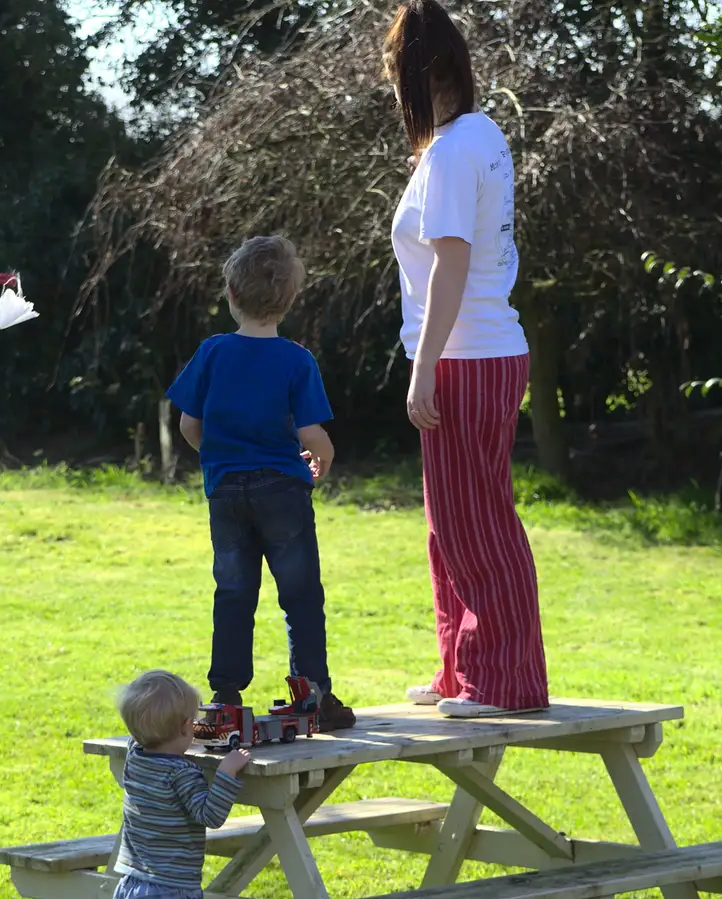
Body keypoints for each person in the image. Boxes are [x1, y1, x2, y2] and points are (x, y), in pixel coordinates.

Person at [383, 0, 549, 717]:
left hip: (467, 356)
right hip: (484, 351)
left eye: (393, 72)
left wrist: (424, 366)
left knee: (477, 522)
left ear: (416, 74)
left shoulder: (452, 152)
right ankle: (461, 669)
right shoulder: (476, 135)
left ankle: (501, 682)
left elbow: (453, 262)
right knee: (450, 522)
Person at [168, 235, 356, 731]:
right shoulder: (297, 361)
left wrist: (216, 457)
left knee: (233, 592)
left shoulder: (211, 353)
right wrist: (324, 460)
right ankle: (312, 695)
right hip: (283, 494)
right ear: (291, 299)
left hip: (226, 494)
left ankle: (225, 699)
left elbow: (189, 425)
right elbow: (313, 436)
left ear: (230, 294)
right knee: (299, 595)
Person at [111, 669, 251, 899]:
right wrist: (227, 772)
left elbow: (147, 735)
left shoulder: (135, 758)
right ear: (188, 727)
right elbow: (209, 814)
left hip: (128, 892)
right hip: (169, 898)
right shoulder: (181, 774)